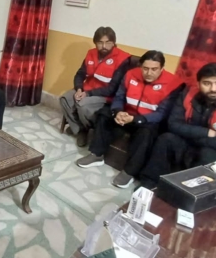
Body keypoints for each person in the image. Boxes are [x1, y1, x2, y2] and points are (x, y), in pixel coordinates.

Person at [76, 50, 183, 188]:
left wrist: (136, 119)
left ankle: (129, 172)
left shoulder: (173, 83)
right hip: (126, 114)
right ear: (140, 66)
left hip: (147, 120)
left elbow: (162, 113)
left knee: (147, 133)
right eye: (145, 68)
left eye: (154, 69)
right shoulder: (131, 74)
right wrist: (118, 112)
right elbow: (119, 97)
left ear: (162, 68)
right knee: (104, 114)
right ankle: (96, 154)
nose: (149, 73)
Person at [138, 63, 216, 189]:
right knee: (166, 139)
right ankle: (148, 184)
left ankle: (186, 193)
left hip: (208, 149)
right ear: (198, 84)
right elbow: (173, 124)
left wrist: (193, 135)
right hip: (188, 141)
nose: (213, 89)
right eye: (207, 83)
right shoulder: (188, 95)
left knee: (207, 154)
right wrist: (206, 133)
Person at [60, 27, 130, 147]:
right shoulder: (91, 53)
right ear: (95, 42)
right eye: (100, 42)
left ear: (114, 42)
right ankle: (80, 129)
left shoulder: (122, 59)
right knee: (65, 99)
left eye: (108, 42)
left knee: (82, 104)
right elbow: (80, 74)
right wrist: (79, 88)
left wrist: (88, 94)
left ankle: (87, 128)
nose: (104, 46)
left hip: (106, 95)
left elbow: (113, 88)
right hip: (87, 89)